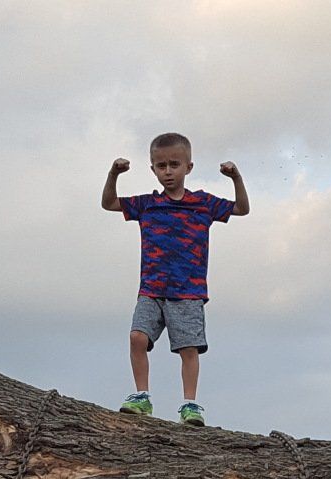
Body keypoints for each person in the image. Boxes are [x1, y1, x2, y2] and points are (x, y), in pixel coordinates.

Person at [101, 132, 248, 427]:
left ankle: (190, 405)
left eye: (174, 165)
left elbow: (242, 209)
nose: (168, 171)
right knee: (137, 337)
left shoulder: (202, 203)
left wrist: (236, 178)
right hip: (152, 288)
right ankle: (141, 396)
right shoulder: (146, 204)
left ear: (188, 167)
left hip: (188, 291)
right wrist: (113, 173)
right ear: (153, 169)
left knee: (188, 349)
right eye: (161, 166)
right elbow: (109, 203)